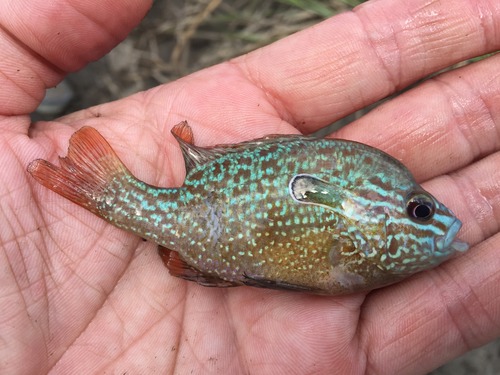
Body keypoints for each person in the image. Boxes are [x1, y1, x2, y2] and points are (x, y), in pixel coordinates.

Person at [1, 0, 499, 373]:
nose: (441, 226)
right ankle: (108, 192)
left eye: (424, 212)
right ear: (373, 207)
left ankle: (106, 191)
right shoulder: (363, 216)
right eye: (419, 211)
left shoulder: (364, 233)